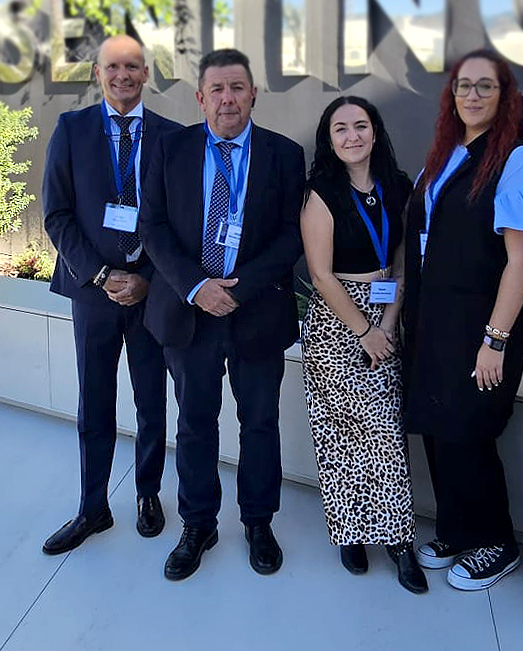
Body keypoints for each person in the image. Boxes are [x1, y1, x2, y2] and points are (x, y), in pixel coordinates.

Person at [138, 48, 305, 581]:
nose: (227, 99)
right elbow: (152, 227)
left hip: (256, 311)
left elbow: (291, 235)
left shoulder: (284, 154)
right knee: (194, 423)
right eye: (217, 89)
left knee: (260, 423)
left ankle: (258, 522)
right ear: (200, 97)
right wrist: (195, 287)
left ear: (253, 94)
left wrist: (239, 288)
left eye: (237, 88)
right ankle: (198, 524)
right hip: (188, 314)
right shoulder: (170, 149)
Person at [403, 49, 523, 591]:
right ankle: (455, 529)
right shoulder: (445, 155)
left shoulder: (518, 160)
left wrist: (495, 340)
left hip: (482, 324)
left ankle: (495, 542)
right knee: (441, 427)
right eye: (463, 86)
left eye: (485, 86)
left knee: (469, 431)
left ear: (505, 96)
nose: (472, 95)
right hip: (435, 319)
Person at [41, 34, 180, 555]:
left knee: (151, 400)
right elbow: (57, 214)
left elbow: (180, 221)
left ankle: (148, 493)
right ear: (98, 73)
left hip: (150, 293)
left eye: (133, 66)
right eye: (112, 66)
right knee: (94, 403)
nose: (123, 75)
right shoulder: (71, 129)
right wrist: (101, 275)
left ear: (146, 74)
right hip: (93, 292)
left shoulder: (171, 137)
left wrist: (148, 278)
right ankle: (92, 508)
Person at [300, 95, 426, 594]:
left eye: (360, 125)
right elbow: (320, 275)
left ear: (375, 131)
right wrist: (365, 330)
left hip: (385, 311)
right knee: (340, 435)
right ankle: (350, 532)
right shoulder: (321, 193)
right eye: (341, 129)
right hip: (338, 322)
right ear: (329, 139)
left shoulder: (398, 185)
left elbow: (402, 257)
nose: (352, 136)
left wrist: (388, 323)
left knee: (386, 433)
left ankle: (399, 540)